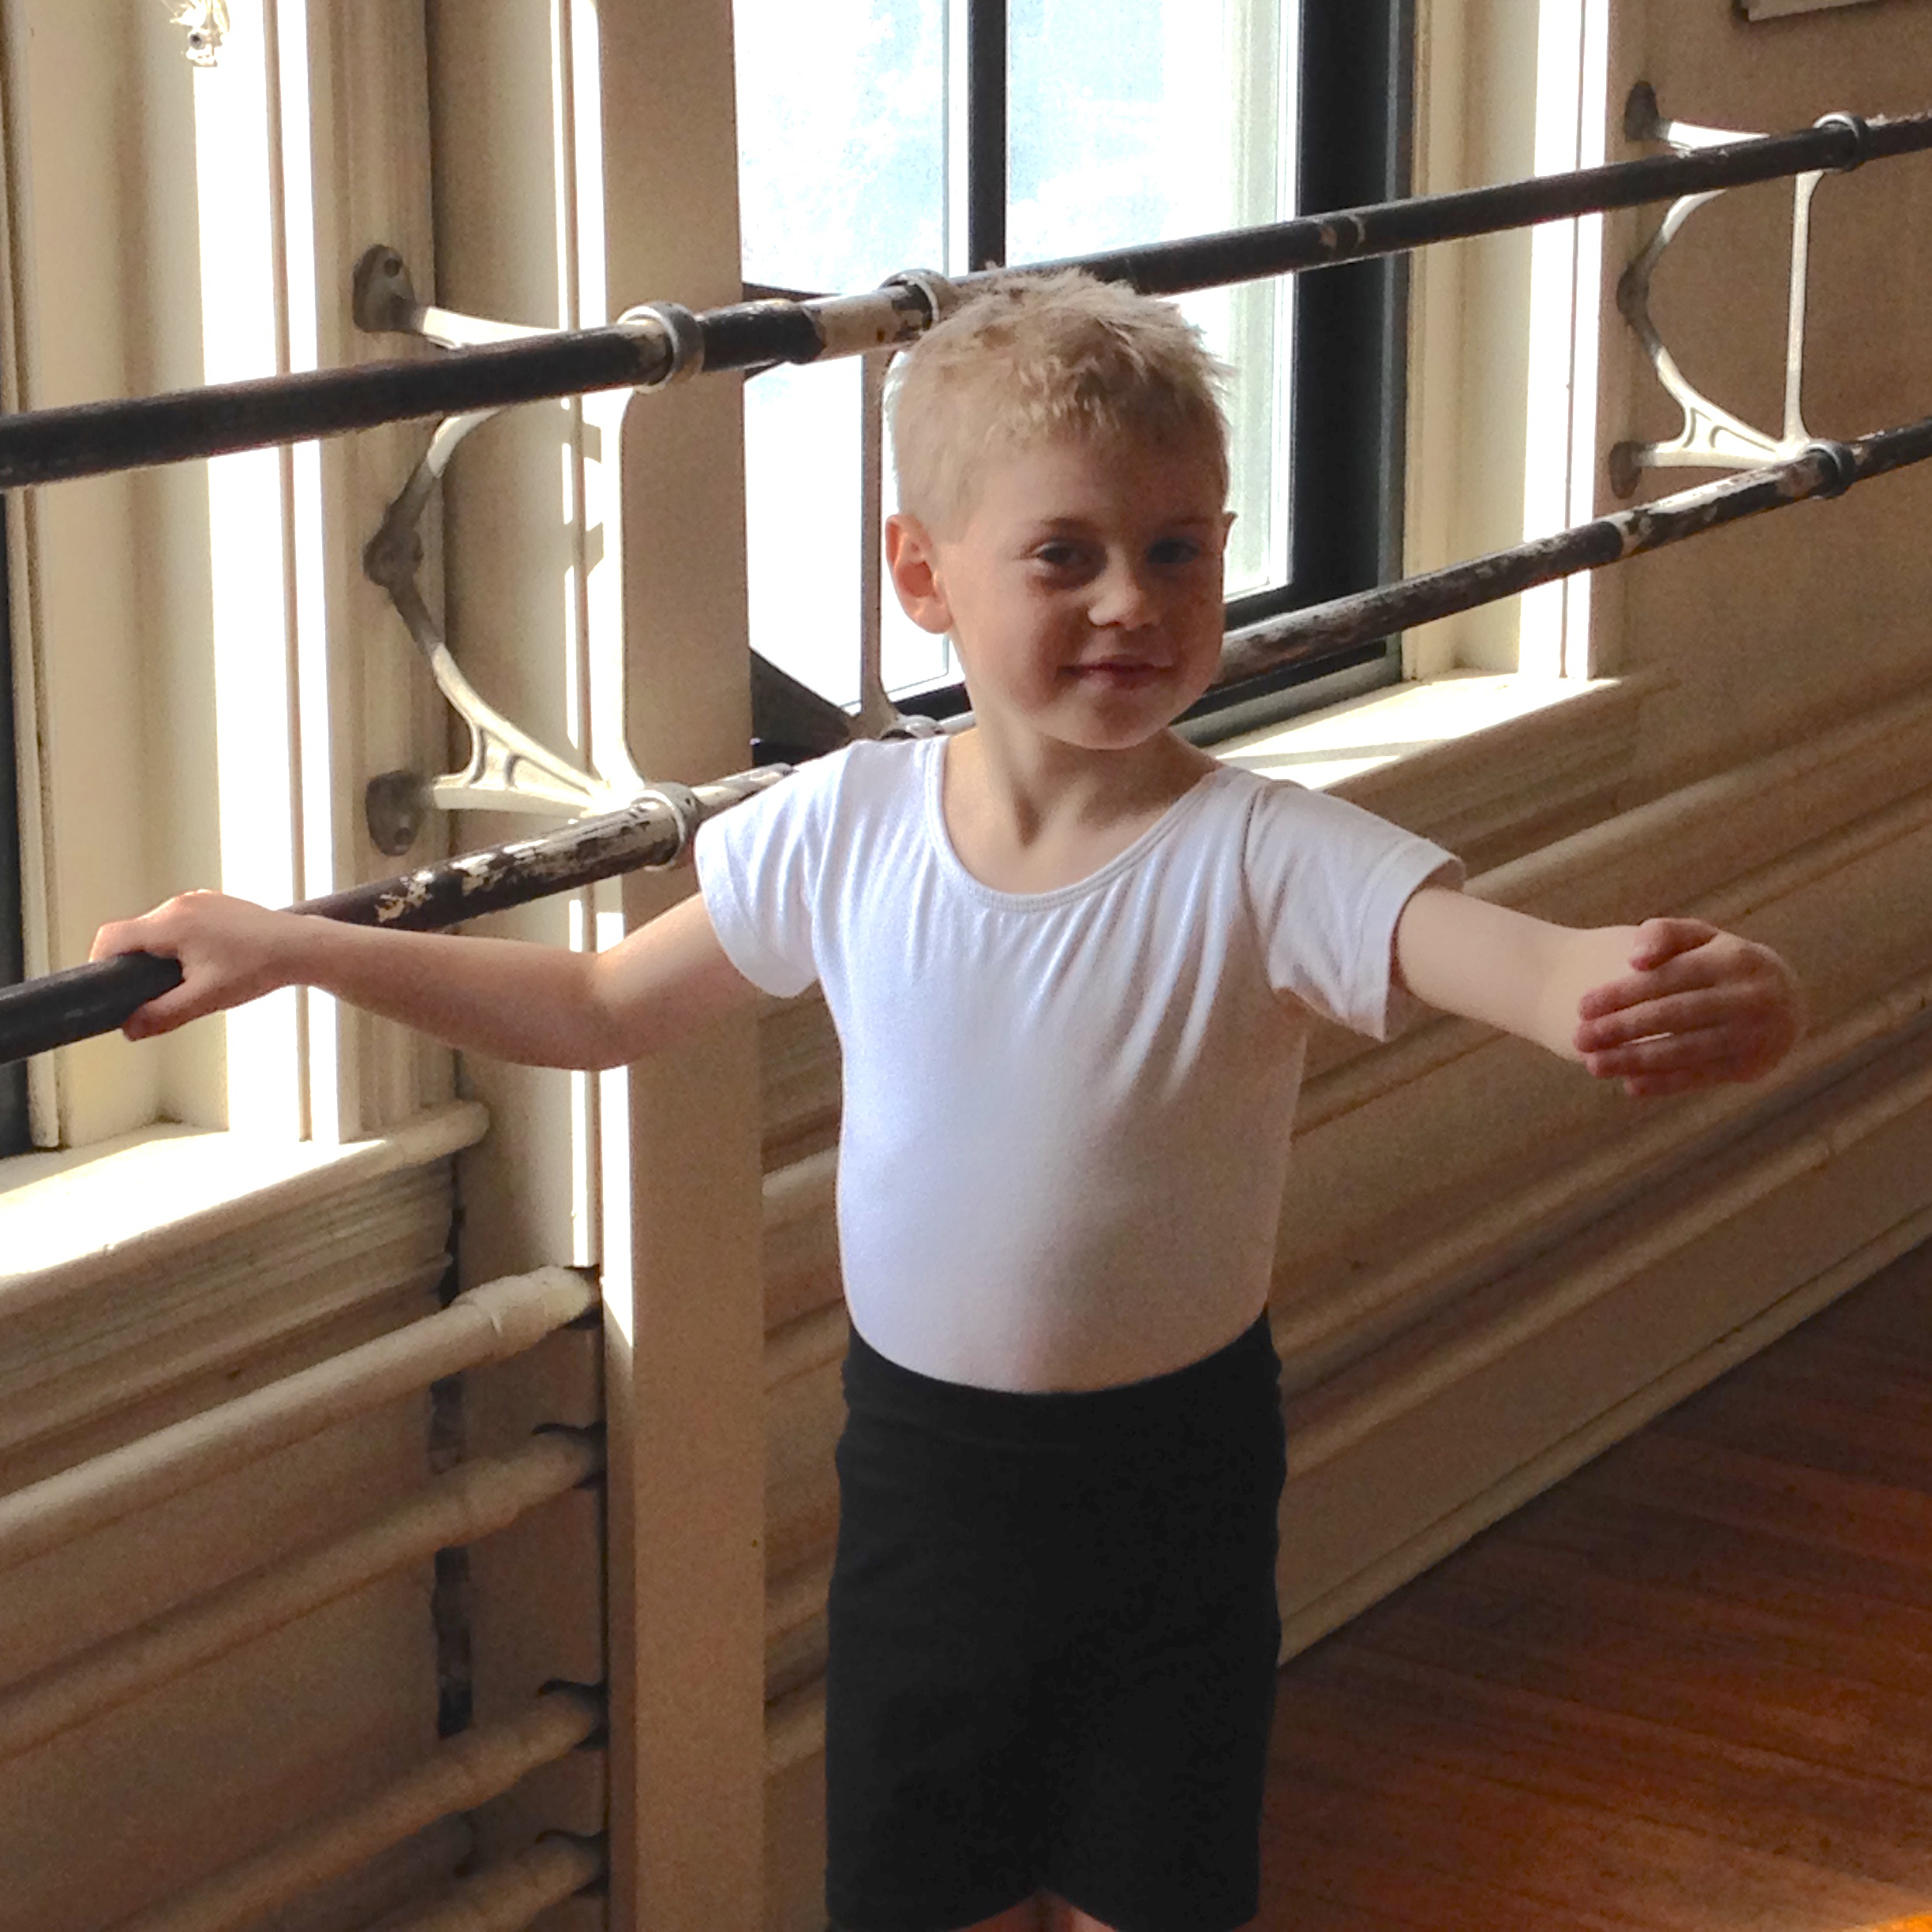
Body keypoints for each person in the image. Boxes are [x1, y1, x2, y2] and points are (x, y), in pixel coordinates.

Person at [92, 271, 1803, 1932]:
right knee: (932, 1888)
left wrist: (1647, 985)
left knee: (1155, 1888)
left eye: (1179, 549)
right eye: (1067, 555)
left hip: (1175, 1488)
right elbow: (603, 1005)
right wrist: (305, 948)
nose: (1134, 600)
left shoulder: (1268, 853)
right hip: (929, 1480)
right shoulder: (847, 827)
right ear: (925, 574)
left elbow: (1500, 954)